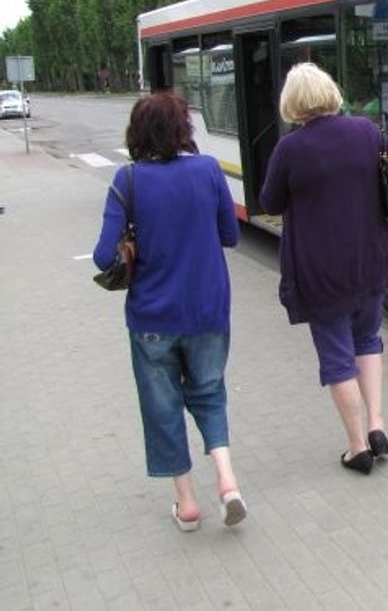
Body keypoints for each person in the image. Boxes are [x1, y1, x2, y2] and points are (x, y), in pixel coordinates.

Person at [259, 63, 388, 476]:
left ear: (292, 103)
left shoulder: (290, 150)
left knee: (336, 358)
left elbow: (270, 201)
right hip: (371, 259)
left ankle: (356, 448)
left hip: (320, 271)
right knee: (368, 339)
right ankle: (377, 424)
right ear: (331, 92)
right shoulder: (366, 132)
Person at [93, 92, 246, 532]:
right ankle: (228, 479)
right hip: (207, 309)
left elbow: (104, 257)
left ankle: (187, 502)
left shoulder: (128, 181)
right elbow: (231, 237)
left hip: (152, 319)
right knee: (209, 392)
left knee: (162, 408)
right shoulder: (208, 170)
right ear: (184, 128)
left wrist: (131, 243)